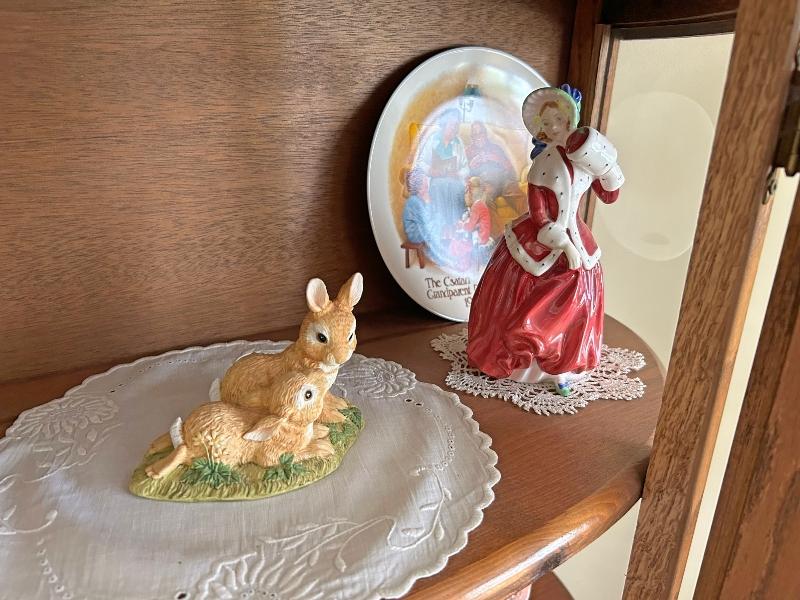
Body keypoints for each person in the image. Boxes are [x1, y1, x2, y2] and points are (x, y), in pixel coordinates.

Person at [466, 85, 625, 395]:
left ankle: (564, 363)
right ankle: (523, 357)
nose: (552, 127)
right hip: (543, 239)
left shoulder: (586, 155)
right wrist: (563, 244)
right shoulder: (543, 165)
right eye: (546, 123)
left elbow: (609, 194)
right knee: (526, 287)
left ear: (569, 120)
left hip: (577, 234)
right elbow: (540, 215)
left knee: (581, 288)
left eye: (557, 120)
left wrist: (610, 169)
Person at [415, 108, 469, 233]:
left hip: (454, 180)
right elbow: (420, 162)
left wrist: (458, 174)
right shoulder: (433, 139)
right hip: (436, 180)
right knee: (439, 186)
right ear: (444, 123)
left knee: (455, 187)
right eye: (452, 125)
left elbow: (466, 168)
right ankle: (443, 228)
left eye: (457, 125)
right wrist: (431, 170)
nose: (454, 128)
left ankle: (456, 228)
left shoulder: (458, 142)